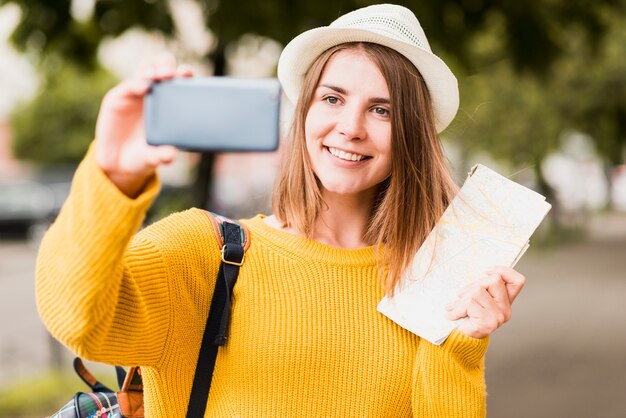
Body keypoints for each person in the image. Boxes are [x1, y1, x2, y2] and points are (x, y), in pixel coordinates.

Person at [36, 4, 526, 417]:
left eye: (383, 109)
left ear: (413, 134)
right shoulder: (203, 254)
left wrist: (461, 343)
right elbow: (78, 319)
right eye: (332, 98)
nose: (351, 127)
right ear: (305, 112)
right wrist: (112, 179)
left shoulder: (434, 279)